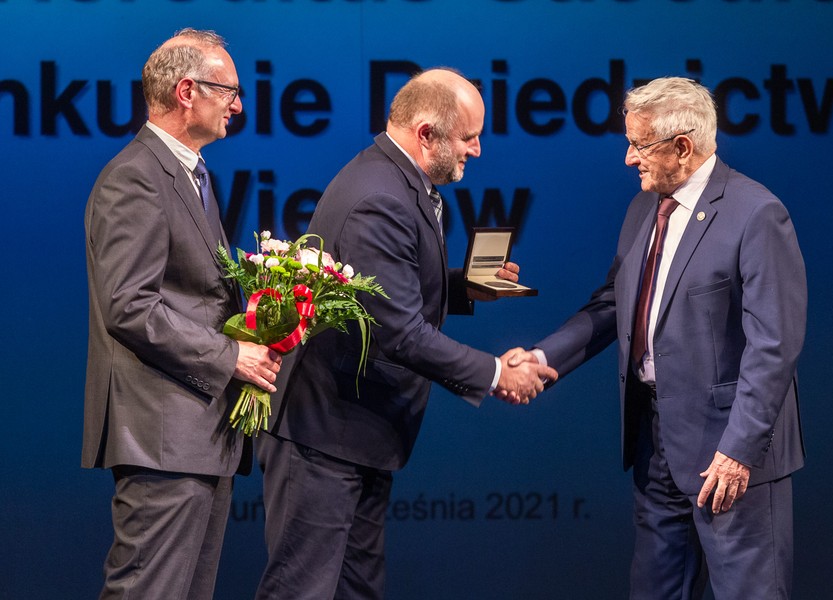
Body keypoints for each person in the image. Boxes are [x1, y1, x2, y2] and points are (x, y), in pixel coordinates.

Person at [254, 68, 558, 599]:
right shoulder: (381, 197)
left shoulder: (398, 181)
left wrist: (463, 288)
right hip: (324, 436)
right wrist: (495, 373)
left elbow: (383, 292)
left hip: (355, 435)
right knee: (300, 592)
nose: (478, 150)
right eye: (469, 138)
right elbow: (397, 330)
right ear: (426, 134)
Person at [509, 77, 807, 599]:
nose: (628, 159)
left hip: (729, 456)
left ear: (683, 147)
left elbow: (774, 347)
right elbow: (613, 304)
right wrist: (543, 356)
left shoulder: (756, 214)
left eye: (639, 146)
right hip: (656, 446)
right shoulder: (644, 208)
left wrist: (738, 450)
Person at [82, 29, 282, 600]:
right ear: (187, 91)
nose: (239, 106)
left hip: (197, 433)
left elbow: (188, 294)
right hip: (161, 436)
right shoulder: (134, 177)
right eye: (230, 91)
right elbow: (130, 305)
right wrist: (229, 355)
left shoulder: (192, 174)